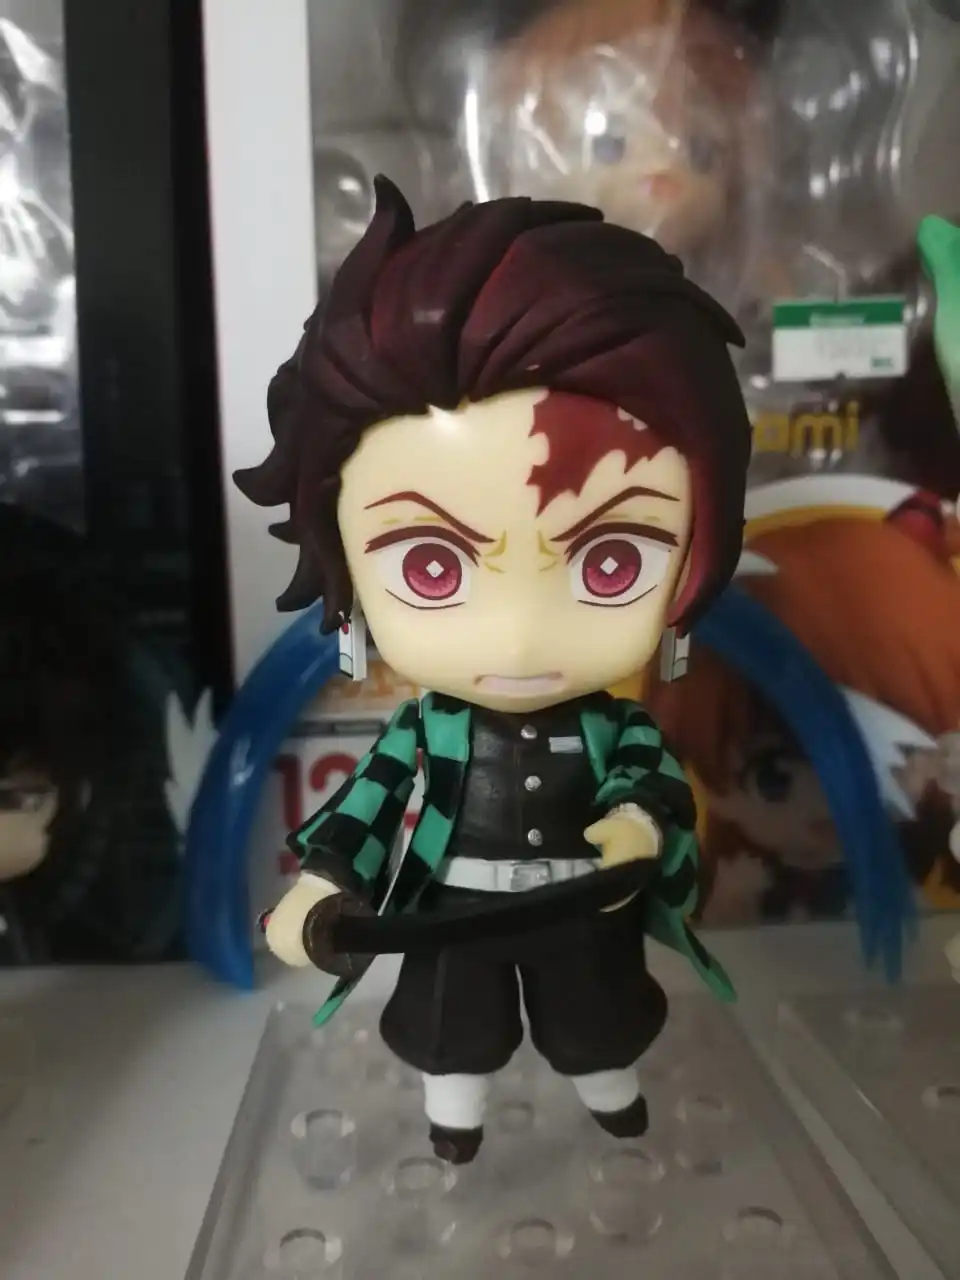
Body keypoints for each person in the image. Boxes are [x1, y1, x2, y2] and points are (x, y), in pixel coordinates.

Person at [236, 177, 752, 1163]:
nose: (518, 636)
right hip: (449, 906)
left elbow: (649, 778)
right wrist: (320, 886)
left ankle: (608, 1092)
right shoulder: (424, 732)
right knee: (451, 1025)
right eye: (432, 567)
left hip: (580, 902)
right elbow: (367, 807)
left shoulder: (612, 727)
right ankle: (455, 1114)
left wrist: (640, 826)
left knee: (598, 1018)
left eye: (611, 562)